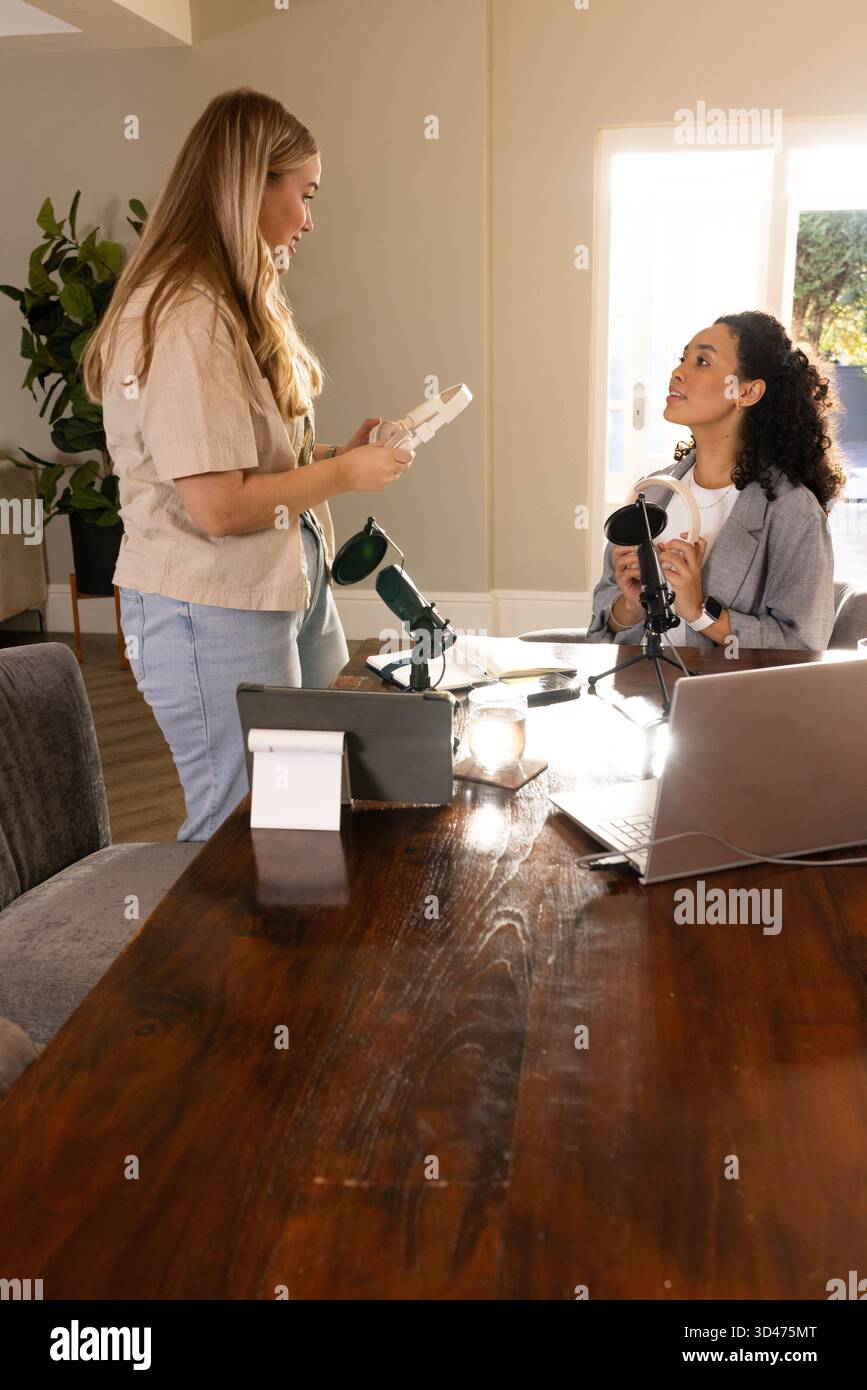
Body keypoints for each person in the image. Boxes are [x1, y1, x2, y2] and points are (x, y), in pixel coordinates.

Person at [83, 88, 414, 841]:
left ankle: (295, 952)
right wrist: (340, 476)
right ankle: (217, 963)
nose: (308, 216)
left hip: (282, 581)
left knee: (305, 808)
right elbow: (219, 507)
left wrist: (338, 456)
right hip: (210, 606)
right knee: (243, 826)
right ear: (248, 184)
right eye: (303, 193)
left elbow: (251, 463)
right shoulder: (185, 311)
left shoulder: (232, 299)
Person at [587, 311, 846, 649]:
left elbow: (803, 645)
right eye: (683, 360)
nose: (677, 373)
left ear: (748, 392)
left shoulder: (793, 512)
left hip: (729, 699)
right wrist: (632, 603)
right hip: (640, 691)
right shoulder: (652, 491)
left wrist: (700, 612)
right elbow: (603, 618)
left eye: (702, 362)